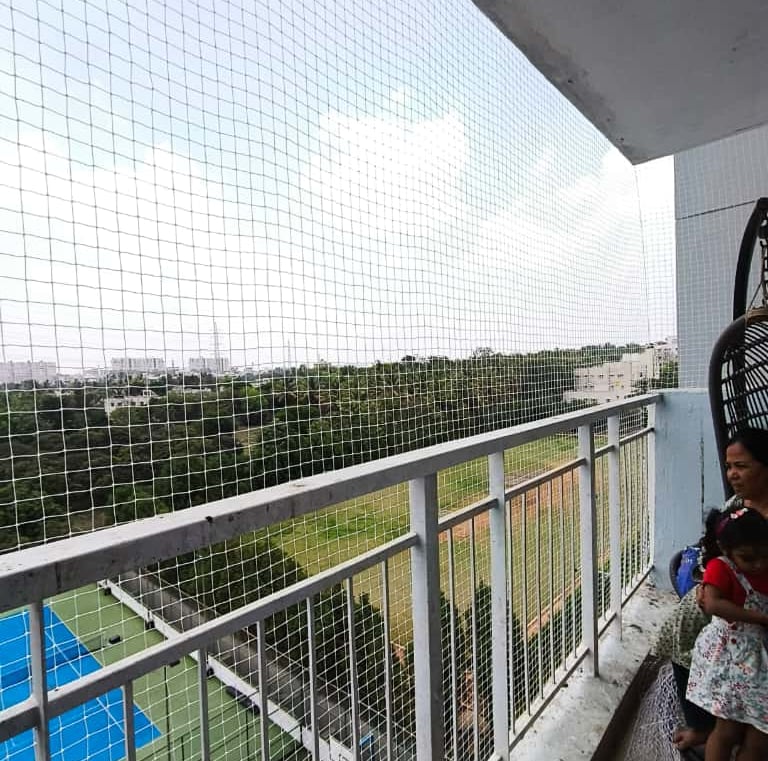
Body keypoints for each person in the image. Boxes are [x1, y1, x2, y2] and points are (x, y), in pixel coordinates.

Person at [655, 426, 768, 752]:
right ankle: (704, 724)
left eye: (742, 466)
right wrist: (708, 581)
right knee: (684, 624)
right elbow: (714, 550)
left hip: (755, 604)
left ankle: (730, 721)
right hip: (728, 596)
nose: (733, 474)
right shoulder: (737, 505)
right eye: (729, 466)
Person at [686, 508, 768, 761]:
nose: (759, 564)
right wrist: (762, 619)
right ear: (727, 550)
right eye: (748, 558)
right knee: (727, 730)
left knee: (760, 736)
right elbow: (712, 604)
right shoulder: (721, 568)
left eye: (765, 555)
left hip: (759, 662)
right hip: (734, 659)